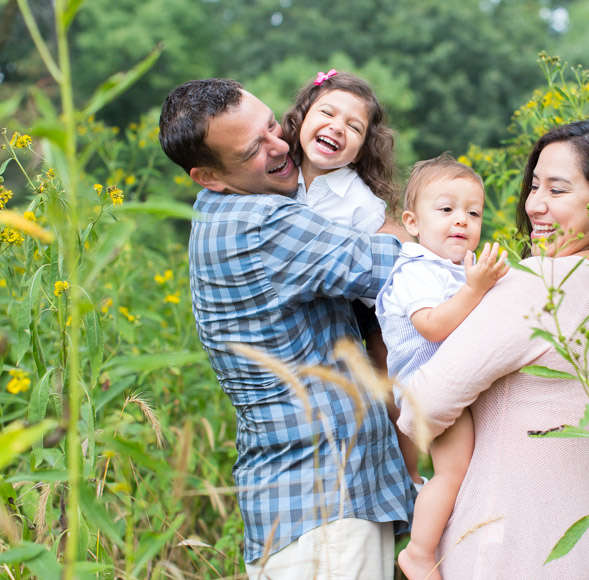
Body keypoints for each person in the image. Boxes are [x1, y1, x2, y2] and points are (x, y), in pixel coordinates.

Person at [397, 121, 589, 579]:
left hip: (503, 549)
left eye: (558, 190)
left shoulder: (545, 282)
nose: (535, 205)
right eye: (533, 186)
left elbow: (422, 405)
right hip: (585, 556)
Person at [158, 78, 415, 580]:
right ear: (209, 176)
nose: (280, 146)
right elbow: (405, 268)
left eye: (273, 124)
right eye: (255, 147)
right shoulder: (263, 224)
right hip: (325, 507)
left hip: (305, 507)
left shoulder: (235, 204)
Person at [375, 155, 509, 580]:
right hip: (427, 387)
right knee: (451, 473)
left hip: (451, 383)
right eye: (447, 209)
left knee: (469, 469)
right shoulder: (415, 269)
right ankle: (419, 551)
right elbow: (431, 327)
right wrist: (476, 289)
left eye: (473, 213)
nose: (462, 221)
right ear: (412, 222)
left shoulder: (452, 270)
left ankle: (453, 542)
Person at [282, 69, 402, 377]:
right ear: (302, 118)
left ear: (360, 151)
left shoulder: (361, 201)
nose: (337, 127)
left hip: (357, 308)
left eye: (354, 127)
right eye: (327, 113)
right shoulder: (280, 174)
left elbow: (380, 276)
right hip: (294, 314)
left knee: (385, 367)